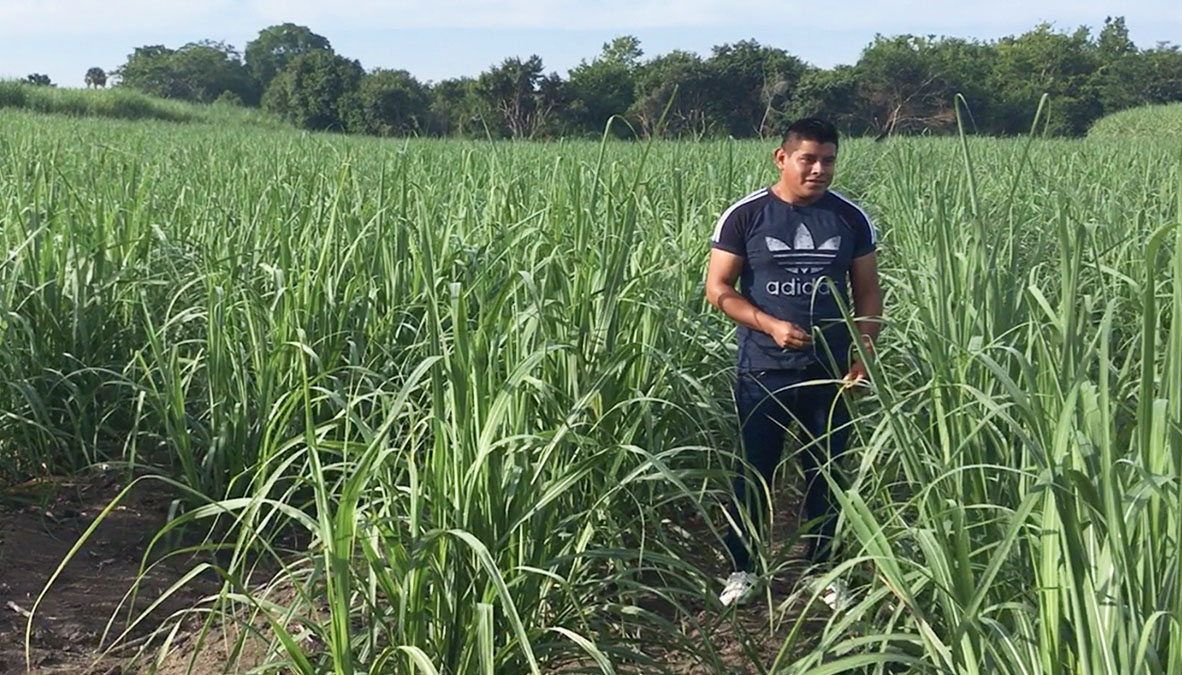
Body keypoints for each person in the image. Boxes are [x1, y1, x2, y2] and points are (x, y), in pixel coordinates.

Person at [704, 118, 883, 607]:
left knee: (826, 470)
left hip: (831, 369)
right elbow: (718, 289)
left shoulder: (850, 219)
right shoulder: (745, 216)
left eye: (827, 160)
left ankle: (823, 571)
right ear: (781, 159)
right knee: (754, 470)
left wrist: (863, 350)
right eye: (808, 159)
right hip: (763, 367)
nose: (819, 169)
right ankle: (743, 567)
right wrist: (768, 324)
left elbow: (867, 292)